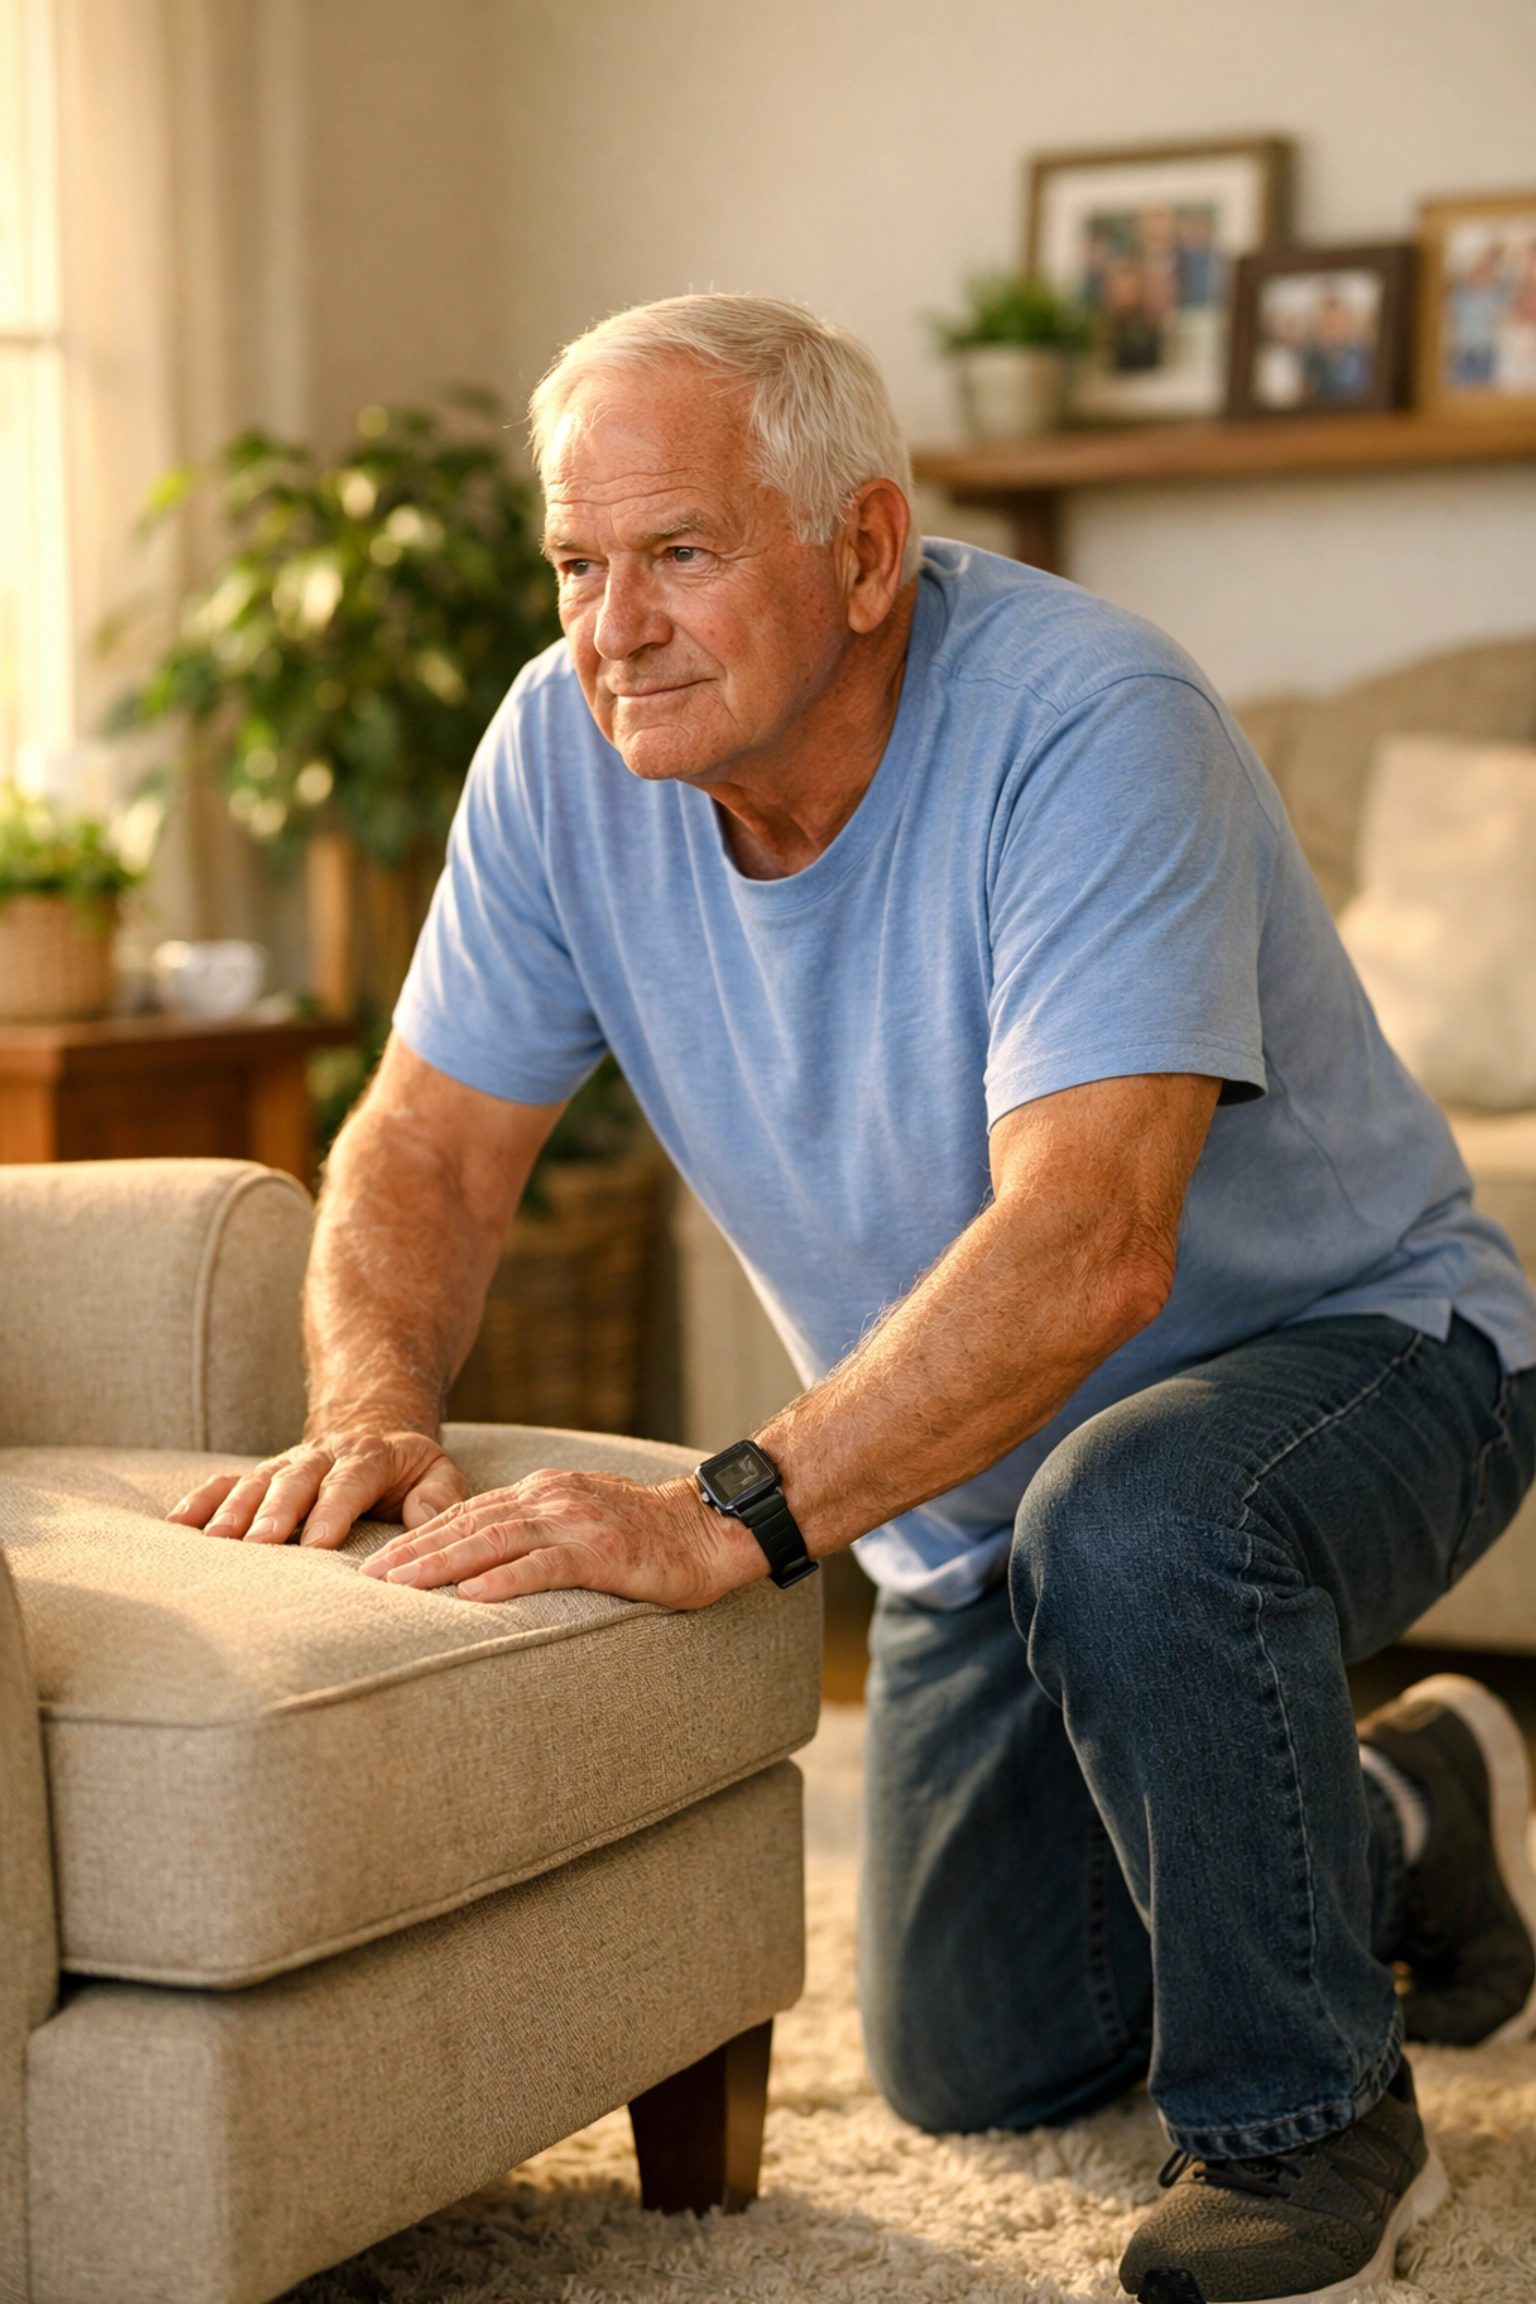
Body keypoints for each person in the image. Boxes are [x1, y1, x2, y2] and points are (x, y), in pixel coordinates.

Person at [169, 295, 1536, 2304]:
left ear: (869, 554)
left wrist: (726, 1512)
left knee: (1144, 1515)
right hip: (980, 1489)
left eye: (681, 555)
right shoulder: (563, 755)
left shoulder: (1089, 723)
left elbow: (1091, 1242)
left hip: (1371, 1357)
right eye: (575, 563)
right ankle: (1408, 1808)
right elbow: (426, 1151)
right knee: (984, 2060)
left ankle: (1312, 2128)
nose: (611, 625)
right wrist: (372, 1398)